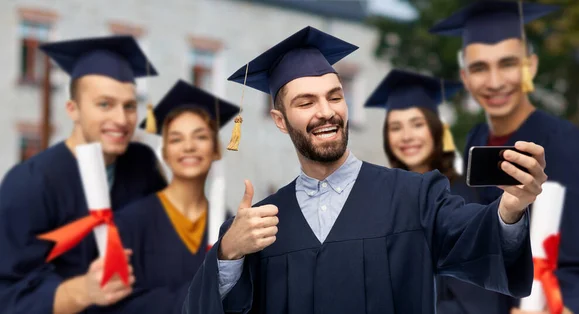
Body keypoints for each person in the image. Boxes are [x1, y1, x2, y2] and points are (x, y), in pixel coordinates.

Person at [182, 25, 548, 314]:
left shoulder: (415, 197)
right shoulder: (259, 226)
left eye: (336, 96)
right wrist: (228, 254)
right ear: (280, 120)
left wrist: (512, 208)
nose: (326, 111)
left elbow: (478, 238)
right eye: (306, 102)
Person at [430, 1, 579, 313]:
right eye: (480, 68)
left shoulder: (569, 145)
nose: (494, 82)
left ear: (530, 66)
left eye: (508, 64)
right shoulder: (477, 141)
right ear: (465, 78)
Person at [0, 35, 167, 314]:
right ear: (73, 109)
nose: (121, 119)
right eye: (105, 104)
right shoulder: (28, 183)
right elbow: (8, 294)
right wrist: (82, 291)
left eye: (129, 106)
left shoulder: (142, 164)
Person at [365, 68, 514, 314]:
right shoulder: (384, 199)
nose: (406, 136)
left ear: (435, 130)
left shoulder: (459, 197)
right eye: (395, 127)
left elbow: (474, 297)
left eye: (417, 124)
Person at [94, 79, 239, 313]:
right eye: (176, 139)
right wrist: (202, 294)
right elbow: (111, 304)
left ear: (216, 149)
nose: (189, 146)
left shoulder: (228, 224)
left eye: (200, 136)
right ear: (165, 154)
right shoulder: (130, 222)